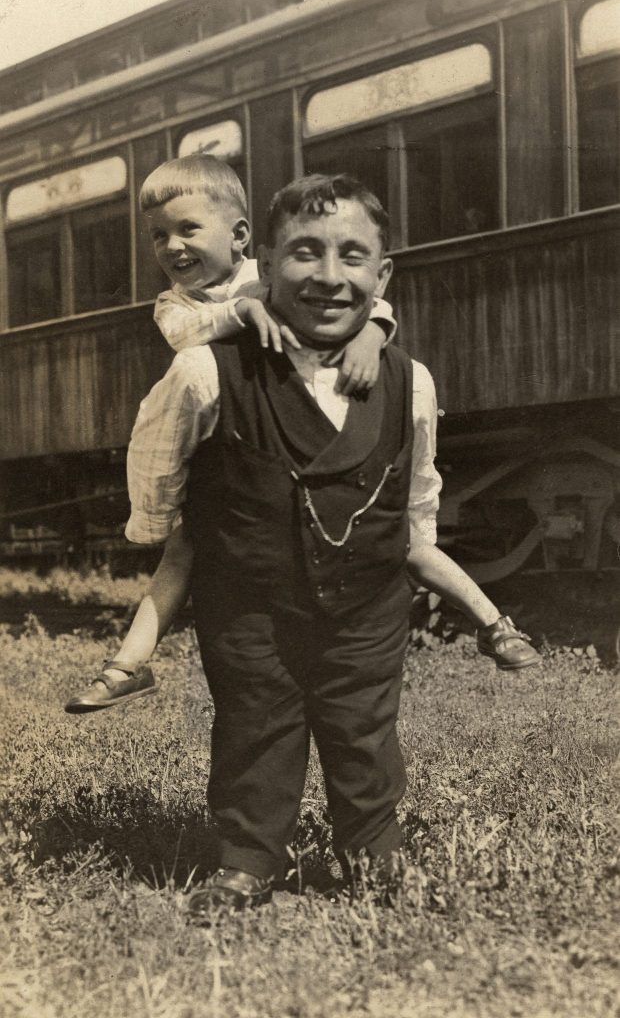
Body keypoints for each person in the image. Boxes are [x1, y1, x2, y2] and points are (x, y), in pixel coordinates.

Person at [123, 174, 536, 915]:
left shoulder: (410, 379)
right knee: (256, 722)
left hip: (368, 603)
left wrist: (411, 549)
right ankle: (249, 858)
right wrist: (157, 532)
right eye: (304, 254)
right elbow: (157, 457)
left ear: (382, 277)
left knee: (363, 730)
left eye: (352, 256)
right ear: (265, 266)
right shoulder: (207, 369)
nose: (327, 276)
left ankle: (373, 853)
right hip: (248, 604)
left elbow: (417, 490)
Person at [65, 156, 396, 713]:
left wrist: (373, 334)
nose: (172, 246)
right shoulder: (175, 303)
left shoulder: (275, 275)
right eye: (158, 236)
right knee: (180, 549)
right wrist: (241, 311)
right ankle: (127, 664)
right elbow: (187, 335)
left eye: (188, 229)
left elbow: (360, 302)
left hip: (277, 435)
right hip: (220, 439)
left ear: (242, 236)